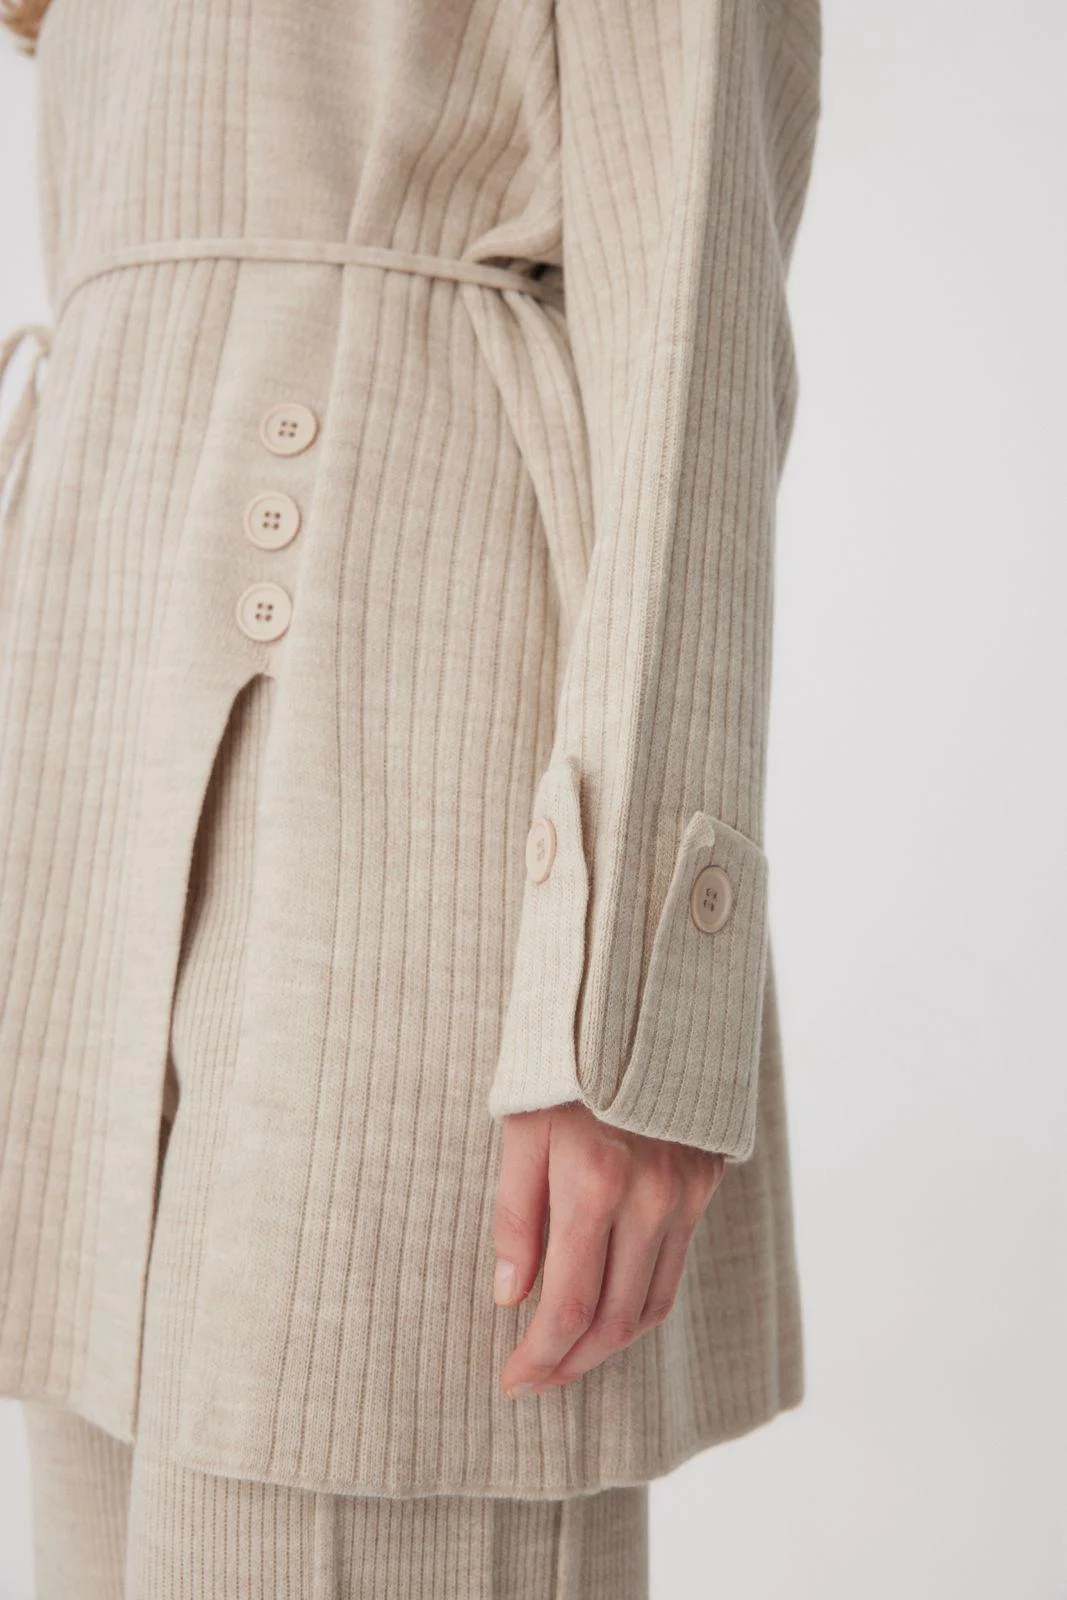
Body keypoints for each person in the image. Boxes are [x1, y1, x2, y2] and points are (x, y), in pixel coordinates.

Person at [0, 0, 822, 1595]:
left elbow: (692, 330)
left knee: (339, 1473)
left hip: (402, 719)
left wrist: (626, 1018)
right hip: (86, 728)